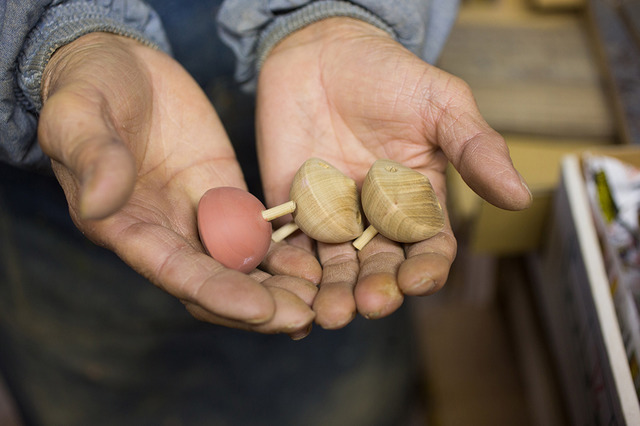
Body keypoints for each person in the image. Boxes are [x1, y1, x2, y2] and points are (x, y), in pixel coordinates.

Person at [0, 0, 532, 424]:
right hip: (75, 237)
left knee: (337, 374)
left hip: (320, 284)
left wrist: (345, 12)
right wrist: (57, 37)